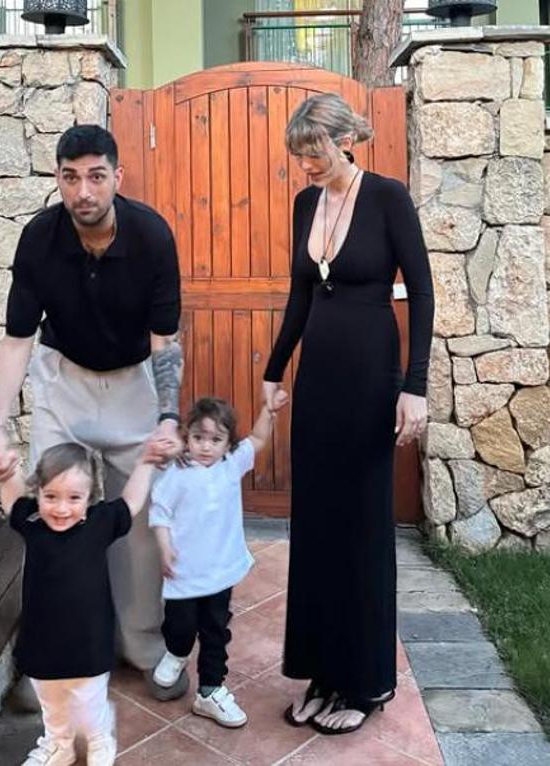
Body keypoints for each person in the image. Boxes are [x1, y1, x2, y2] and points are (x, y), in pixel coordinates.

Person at [0, 124, 186, 700]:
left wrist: (169, 416)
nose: (83, 191)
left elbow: (165, 341)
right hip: (63, 381)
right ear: (58, 179)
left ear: (118, 176)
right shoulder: (38, 238)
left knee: (137, 525)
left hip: (133, 384)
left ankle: (141, 644)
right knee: (52, 515)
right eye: (71, 178)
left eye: (96, 176)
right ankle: (48, 656)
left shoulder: (152, 236)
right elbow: (17, 341)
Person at [261, 93, 434, 735]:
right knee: (317, 526)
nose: (306, 166)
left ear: (344, 141)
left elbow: (422, 291)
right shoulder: (306, 204)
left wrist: (414, 387)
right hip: (319, 382)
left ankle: (363, 683)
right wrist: (274, 371)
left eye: (315, 153)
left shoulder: (388, 198)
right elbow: (300, 293)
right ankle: (321, 672)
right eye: (300, 156)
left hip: (370, 378)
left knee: (361, 526)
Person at [0, 437, 173, 766]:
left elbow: (131, 502)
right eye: (51, 497)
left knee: (87, 704)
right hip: (42, 639)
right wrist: (6, 476)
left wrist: (146, 463)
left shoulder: (99, 522)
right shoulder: (32, 521)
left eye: (74, 498)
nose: (61, 509)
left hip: (88, 639)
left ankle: (100, 737)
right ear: (38, 492)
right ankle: (58, 744)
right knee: (51, 700)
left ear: (90, 497)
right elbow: (13, 503)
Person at [147, 394, 289, 728]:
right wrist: (164, 546)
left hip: (219, 571)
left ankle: (210, 690)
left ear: (228, 443)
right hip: (183, 571)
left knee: (215, 630)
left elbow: (257, 439)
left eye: (215, 439)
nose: (206, 447)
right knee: (180, 624)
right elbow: (160, 511)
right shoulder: (178, 472)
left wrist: (267, 410)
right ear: (187, 437)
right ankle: (177, 651)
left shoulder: (231, 464)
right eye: (199, 437)